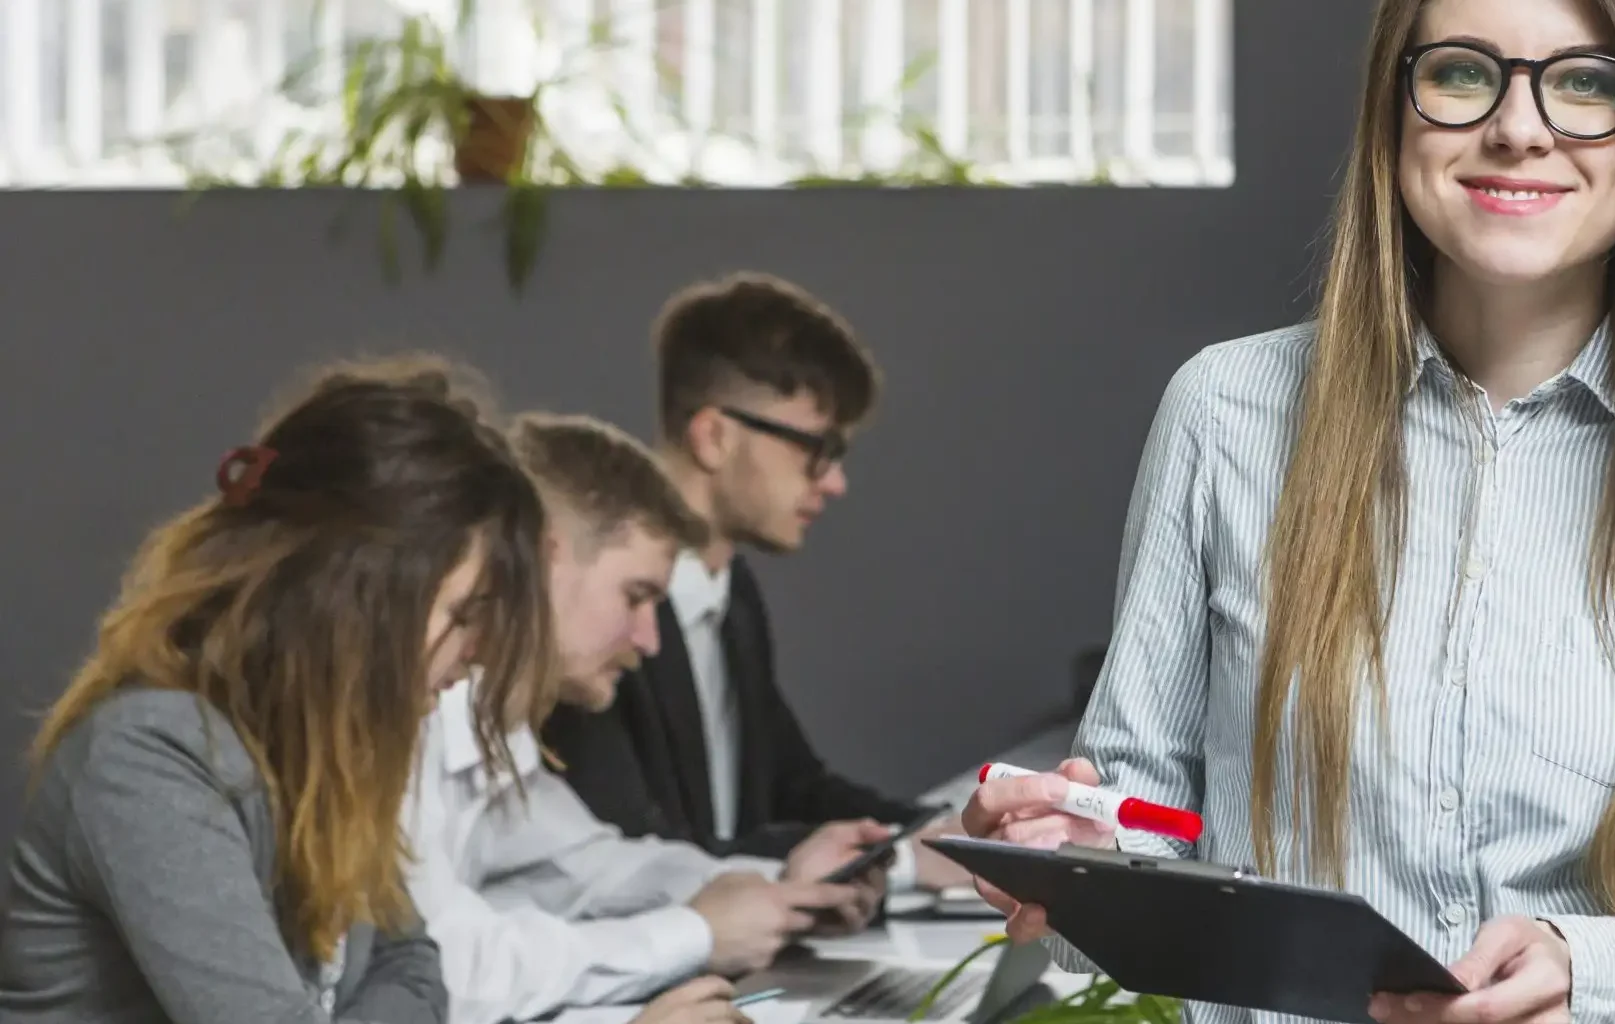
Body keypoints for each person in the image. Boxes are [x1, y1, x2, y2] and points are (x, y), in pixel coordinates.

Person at [961, 1, 1615, 1023]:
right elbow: (1151, 819)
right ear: (1391, 111)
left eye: (1586, 82)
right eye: (1459, 72)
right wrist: (1083, 857)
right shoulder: (1223, 413)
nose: (1518, 128)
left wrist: (1591, 972)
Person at [0, 357, 558, 1023]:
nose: (477, 656)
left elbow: (414, 967)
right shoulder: (148, 758)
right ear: (355, 595)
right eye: (463, 615)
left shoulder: (322, 752)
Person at [403, 411, 892, 1024]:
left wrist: (784, 888)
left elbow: (589, 868)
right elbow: (448, 968)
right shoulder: (416, 714)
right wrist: (693, 933)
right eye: (635, 597)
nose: (649, 640)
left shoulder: (489, 719)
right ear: (545, 562)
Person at [541, 273, 970, 893]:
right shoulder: (593, 619)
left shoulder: (729, 594)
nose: (833, 482)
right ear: (715, 435)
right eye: (814, 449)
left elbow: (795, 787)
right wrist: (900, 863)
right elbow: (642, 853)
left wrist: (958, 836)